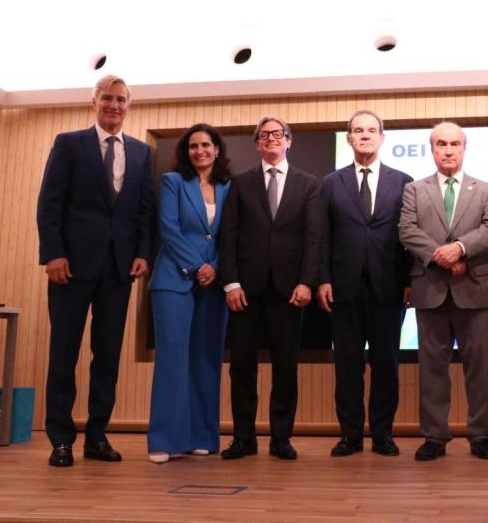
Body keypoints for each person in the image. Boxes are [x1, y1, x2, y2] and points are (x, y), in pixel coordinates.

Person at [37, 75, 155, 467]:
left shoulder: (141, 152)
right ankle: (61, 440)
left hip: (118, 270)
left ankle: (97, 436)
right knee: (63, 354)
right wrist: (53, 254)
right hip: (70, 267)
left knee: (107, 356)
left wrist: (143, 253)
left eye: (121, 99)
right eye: (107, 98)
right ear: (94, 101)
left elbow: (144, 210)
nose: (114, 105)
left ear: (128, 106)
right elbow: (50, 203)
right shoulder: (69, 143)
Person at [218, 116, 320, 461]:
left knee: (285, 368)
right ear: (257, 144)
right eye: (264, 135)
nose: (271, 139)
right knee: (241, 368)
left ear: (289, 141)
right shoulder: (239, 183)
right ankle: (243, 439)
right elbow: (228, 235)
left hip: (289, 290)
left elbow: (314, 238)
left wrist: (306, 282)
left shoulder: (309, 184)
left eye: (278, 134)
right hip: (245, 290)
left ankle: (281, 439)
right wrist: (231, 283)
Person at [399, 122, 488, 461]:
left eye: (454, 144)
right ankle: (434, 436)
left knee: (480, 368)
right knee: (432, 370)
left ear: (464, 148)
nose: (448, 150)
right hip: (430, 288)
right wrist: (439, 256)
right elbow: (407, 230)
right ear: (432, 149)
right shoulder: (414, 189)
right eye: (441, 144)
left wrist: (459, 249)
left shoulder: (486, 190)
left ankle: (481, 435)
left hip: (477, 290)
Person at [317, 110, 412, 457]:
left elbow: (410, 236)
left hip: (389, 286)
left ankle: (383, 434)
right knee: (348, 367)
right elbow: (321, 236)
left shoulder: (403, 182)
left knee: (386, 366)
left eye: (372, 130)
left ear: (382, 138)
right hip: (343, 288)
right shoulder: (330, 183)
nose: (366, 135)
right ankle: (351, 436)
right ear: (349, 139)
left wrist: (409, 280)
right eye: (359, 130)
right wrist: (322, 279)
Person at [146, 124, 232, 463]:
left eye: (206, 145)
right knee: (172, 359)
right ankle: (164, 440)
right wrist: (198, 266)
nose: (200, 151)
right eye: (193, 146)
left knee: (206, 359)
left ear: (217, 149)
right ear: (187, 151)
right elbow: (169, 228)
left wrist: (216, 267)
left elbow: (232, 234)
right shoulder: (173, 182)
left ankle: (201, 436)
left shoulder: (229, 187)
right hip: (174, 280)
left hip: (213, 284)